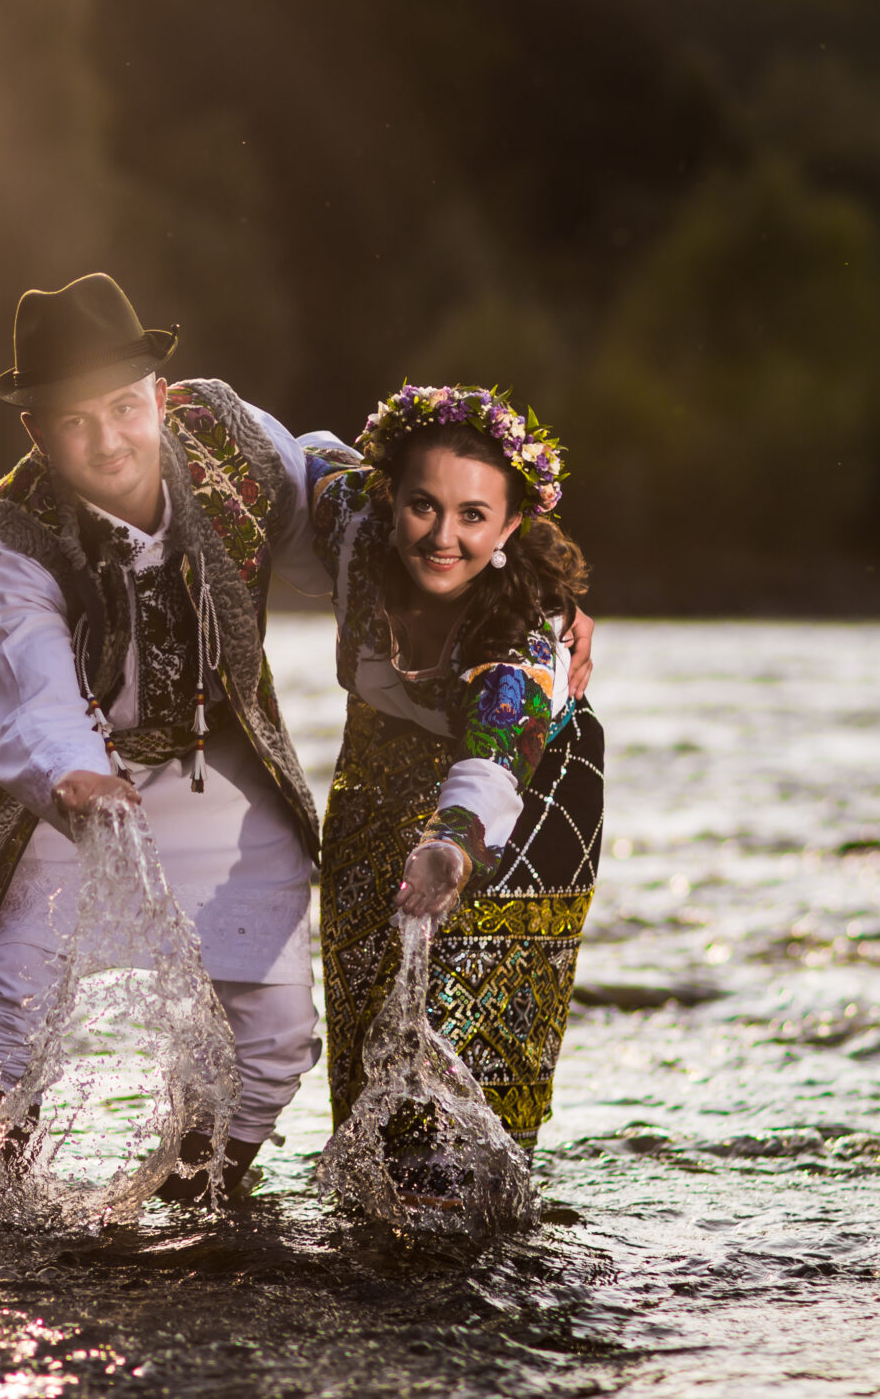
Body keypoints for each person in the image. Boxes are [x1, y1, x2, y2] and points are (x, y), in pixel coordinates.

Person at [0, 273, 330, 1203]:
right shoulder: (6, 538)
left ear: (158, 394)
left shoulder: (232, 439)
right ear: (38, 431)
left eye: (123, 408)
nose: (109, 439)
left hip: (213, 754)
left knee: (278, 1031)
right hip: (70, 789)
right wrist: (76, 775)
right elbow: (32, 686)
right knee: (8, 1006)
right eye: (76, 421)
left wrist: (510, 584)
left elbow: (340, 508)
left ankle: (189, 1209)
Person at [306, 383, 605, 1179]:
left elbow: (492, 766)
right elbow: (276, 448)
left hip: (532, 788)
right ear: (389, 498)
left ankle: (474, 1209)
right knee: (367, 1000)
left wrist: (452, 843)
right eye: (423, 505)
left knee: (471, 1027)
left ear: (509, 526)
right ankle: (369, 1203)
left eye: (473, 515)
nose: (443, 536)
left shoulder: (523, 638)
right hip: (378, 756)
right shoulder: (351, 522)